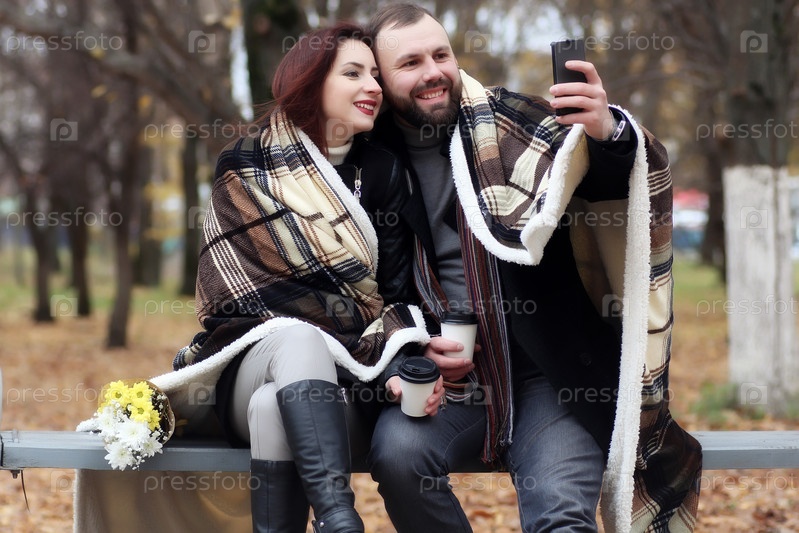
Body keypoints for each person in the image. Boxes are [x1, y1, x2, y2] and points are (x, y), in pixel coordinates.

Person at [364, 4, 702, 532]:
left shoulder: (512, 121)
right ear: (381, 80)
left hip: (551, 373)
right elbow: (360, 288)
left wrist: (605, 130)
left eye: (440, 55)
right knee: (398, 456)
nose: (433, 72)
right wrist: (409, 352)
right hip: (448, 379)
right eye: (410, 63)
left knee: (560, 514)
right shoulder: (366, 160)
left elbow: (603, 182)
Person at [172, 22, 442, 533]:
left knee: (273, 408)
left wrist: (395, 366)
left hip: (351, 375)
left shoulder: (383, 171)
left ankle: (335, 520)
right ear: (312, 81)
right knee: (297, 338)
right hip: (250, 360)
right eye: (353, 73)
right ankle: (340, 519)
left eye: (375, 75)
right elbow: (232, 299)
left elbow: (397, 296)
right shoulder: (246, 164)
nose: (373, 86)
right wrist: (312, 328)